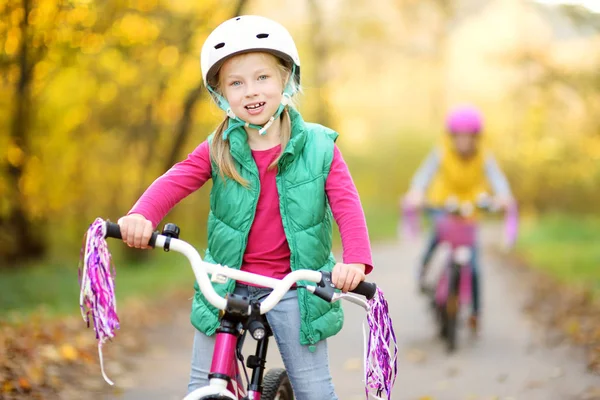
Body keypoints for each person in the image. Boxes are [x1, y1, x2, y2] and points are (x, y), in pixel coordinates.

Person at [116, 15, 373, 399]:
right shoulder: (220, 145)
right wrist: (141, 214)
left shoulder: (319, 146)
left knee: (314, 390)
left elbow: (346, 204)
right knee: (204, 387)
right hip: (227, 282)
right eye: (236, 83)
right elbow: (178, 178)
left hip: (293, 286)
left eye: (262, 77)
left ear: (286, 78)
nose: (251, 91)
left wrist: (354, 260)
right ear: (221, 95)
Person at [402, 105, 514, 331]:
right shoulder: (441, 152)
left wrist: (503, 196)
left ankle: (475, 311)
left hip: (470, 210)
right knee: (435, 240)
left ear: (476, 138)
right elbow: (424, 175)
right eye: (459, 137)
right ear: (451, 137)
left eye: (468, 137)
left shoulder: (484, 156)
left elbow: (497, 179)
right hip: (443, 205)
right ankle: (423, 273)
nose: (463, 141)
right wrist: (416, 192)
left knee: (473, 265)